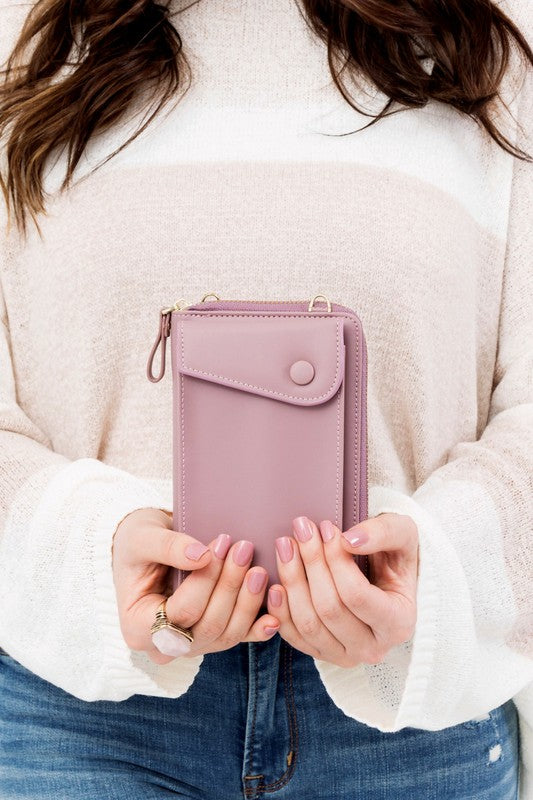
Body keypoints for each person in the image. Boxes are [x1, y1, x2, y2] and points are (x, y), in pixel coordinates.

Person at [0, 0, 531, 797]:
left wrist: (444, 569)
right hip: (76, 715)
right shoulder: (25, 47)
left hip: (411, 723)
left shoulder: (486, 62)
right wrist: (85, 554)